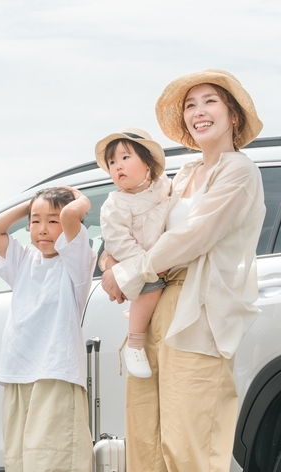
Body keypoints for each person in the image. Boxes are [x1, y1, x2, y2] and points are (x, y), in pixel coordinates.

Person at [100, 69, 266, 471]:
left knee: (189, 441)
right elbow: (148, 224)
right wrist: (110, 258)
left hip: (200, 312)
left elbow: (193, 236)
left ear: (233, 116)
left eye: (209, 101)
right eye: (190, 105)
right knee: (146, 435)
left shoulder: (239, 172)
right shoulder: (187, 172)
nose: (198, 111)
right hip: (158, 305)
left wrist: (127, 273)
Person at [0, 186, 96, 472]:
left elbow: (71, 214)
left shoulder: (76, 263)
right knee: (19, 460)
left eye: (53, 221)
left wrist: (81, 200)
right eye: (35, 221)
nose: (43, 229)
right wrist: (32, 206)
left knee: (52, 458)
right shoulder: (23, 260)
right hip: (18, 372)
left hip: (56, 372)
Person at [94, 128, 171, 378]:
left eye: (125, 158)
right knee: (149, 285)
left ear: (148, 161)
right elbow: (118, 242)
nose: (118, 166)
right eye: (112, 162)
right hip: (141, 262)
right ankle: (134, 343)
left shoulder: (167, 187)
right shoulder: (115, 204)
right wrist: (147, 265)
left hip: (164, 262)